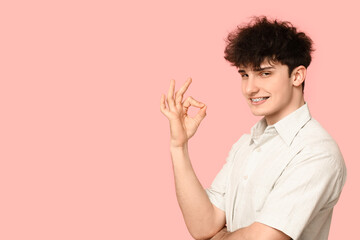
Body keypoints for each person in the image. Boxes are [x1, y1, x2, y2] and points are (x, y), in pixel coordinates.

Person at [160, 16, 346, 240]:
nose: (249, 88)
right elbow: (204, 225)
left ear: (297, 76)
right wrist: (178, 146)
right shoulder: (246, 144)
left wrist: (220, 237)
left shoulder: (316, 152)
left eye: (264, 73)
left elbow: (264, 237)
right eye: (244, 75)